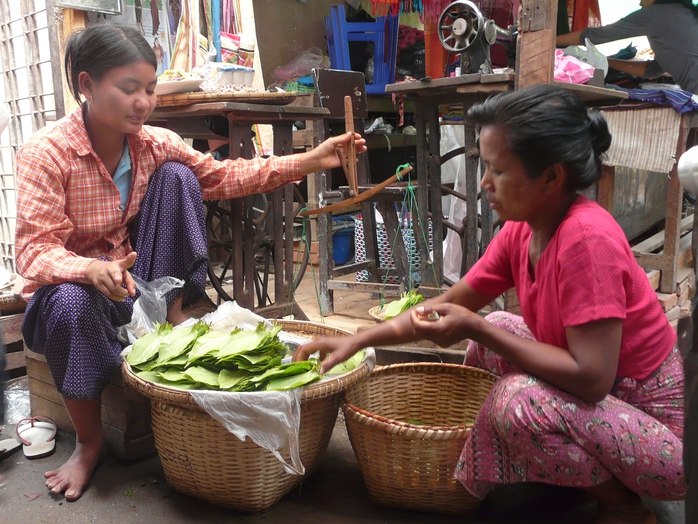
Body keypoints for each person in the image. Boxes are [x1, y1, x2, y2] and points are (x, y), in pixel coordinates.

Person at [294, 84, 685, 523]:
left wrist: (477, 327)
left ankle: (622, 505)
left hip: (664, 438)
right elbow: (443, 306)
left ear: (552, 178)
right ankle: (561, 473)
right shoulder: (523, 231)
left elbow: (593, 380)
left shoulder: (586, 240)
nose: (483, 183)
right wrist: (358, 340)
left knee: (513, 399)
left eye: (497, 170)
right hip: (608, 408)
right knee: (496, 328)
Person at [15, 24, 365, 502]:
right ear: (86, 85)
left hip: (131, 286)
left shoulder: (152, 143)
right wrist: (87, 269)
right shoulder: (47, 153)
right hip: (65, 301)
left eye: (150, 89)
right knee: (74, 300)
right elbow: (33, 252)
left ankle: (174, 313)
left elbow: (222, 176)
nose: (143, 102)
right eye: (129, 88)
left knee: (181, 176)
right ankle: (90, 445)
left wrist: (309, 161)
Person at [555, 0, 698, 95]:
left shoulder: (658, 14)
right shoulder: (682, 13)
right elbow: (654, 69)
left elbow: (596, 36)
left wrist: (551, 41)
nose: (640, 3)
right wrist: (605, 61)